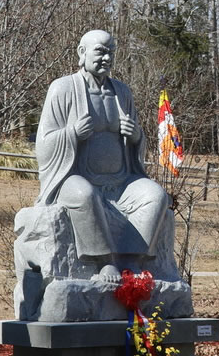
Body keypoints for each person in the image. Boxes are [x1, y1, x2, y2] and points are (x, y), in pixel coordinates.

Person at [32, 30, 169, 274]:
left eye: (111, 53)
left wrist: (136, 136)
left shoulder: (122, 92)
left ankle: (131, 259)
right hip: (75, 177)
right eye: (100, 51)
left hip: (121, 181)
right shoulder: (62, 88)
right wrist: (72, 133)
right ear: (82, 52)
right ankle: (104, 262)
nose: (107, 58)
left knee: (155, 195)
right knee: (84, 194)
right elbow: (43, 144)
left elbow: (138, 145)